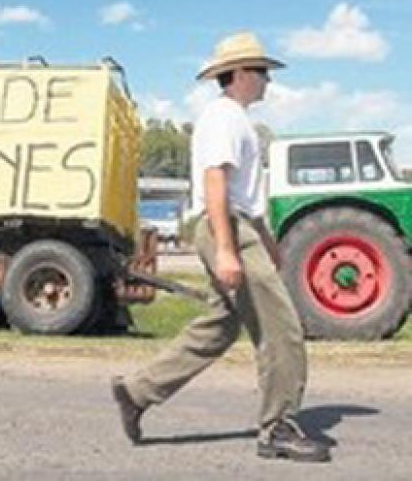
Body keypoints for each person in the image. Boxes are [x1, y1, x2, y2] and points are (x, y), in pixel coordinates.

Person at [111, 31, 330, 462]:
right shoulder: (224, 117)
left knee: (221, 325)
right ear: (242, 73)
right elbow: (217, 182)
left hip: (237, 225)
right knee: (280, 326)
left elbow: (247, 197)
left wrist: (267, 242)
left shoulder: (237, 120)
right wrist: (229, 249)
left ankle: (137, 392)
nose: (268, 79)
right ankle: (278, 426)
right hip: (224, 225)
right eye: (262, 71)